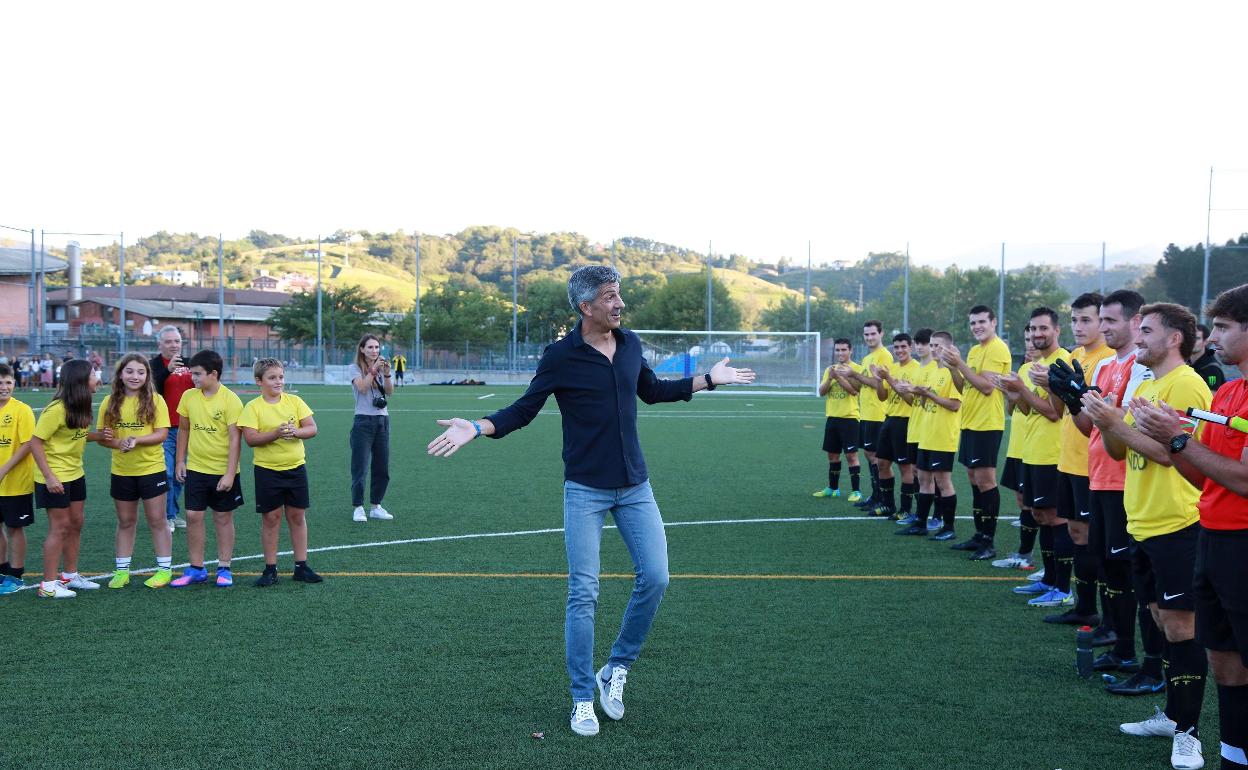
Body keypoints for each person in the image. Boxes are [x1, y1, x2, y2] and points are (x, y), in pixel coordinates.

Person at [426, 265, 755, 738]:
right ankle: (582, 697)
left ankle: (615, 668)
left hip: (635, 486)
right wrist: (476, 427)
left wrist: (708, 379)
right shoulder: (560, 356)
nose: (619, 304)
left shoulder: (631, 343)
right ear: (586, 307)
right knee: (584, 593)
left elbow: (652, 391)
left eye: (619, 294)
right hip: (585, 490)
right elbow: (524, 410)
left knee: (656, 577)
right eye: (609, 296)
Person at [1083, 303, 1211, 770]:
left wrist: (1116, 423)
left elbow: (1171, 453)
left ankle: (1189, 734)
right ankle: (1173, 716)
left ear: (1175, 338)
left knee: (1181, 627)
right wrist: (1104, 418)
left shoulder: (1186, 384)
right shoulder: (1148, 383)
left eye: (1148, 331)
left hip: (1177, 522)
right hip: (1142, 520)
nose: (1138, 338)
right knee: (1160, 619)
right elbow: (1119, 450)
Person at [1133, 284, 1248, 770]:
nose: (1211, 337)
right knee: (1224, 663)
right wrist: (1170, 437)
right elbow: (1203, 475)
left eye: (1222, 327)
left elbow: (1244, 480)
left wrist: (1177, 441)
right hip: (1212, 539)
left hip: (1241, 543)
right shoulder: (1228, 391)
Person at [1076, 290, 1164, 691]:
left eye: (1110, 320)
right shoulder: (1105, 365)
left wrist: (1105, 414)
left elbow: (1125, 424)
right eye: (1102, 319)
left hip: (1124, 480)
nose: (1103, 327)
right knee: (1108, 564)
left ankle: (1142, 658)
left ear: (1134, 322)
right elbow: (1093, 425)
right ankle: (1121, 645)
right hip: (1098, 474)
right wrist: (1073, 398)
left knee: (1128, 569)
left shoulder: (1141, 368)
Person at [1036, 293, 1113, 623]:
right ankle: (1084, 608)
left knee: (1095, 538)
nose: (1078, 327)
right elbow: (1059, 411)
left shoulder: (1109, 359)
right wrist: (1053, 387)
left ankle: (1103, 615)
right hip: (1068, 458)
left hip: (1091, 463)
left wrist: (1075, 394)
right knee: (1077, 534)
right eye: (1074, 320)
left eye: (1086, 320)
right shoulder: (1074, 355)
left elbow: (1100, 418)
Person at [1000, 307, 1071, 608]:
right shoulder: (1033, 365)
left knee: (1055, 517)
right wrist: (1013, 393)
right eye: (1033, 329)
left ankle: (1063, 588)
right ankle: (1048, 578)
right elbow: (1028, 409)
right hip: (1032, 450)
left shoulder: (1062, 362)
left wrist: (1022, 391)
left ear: (1057, 330)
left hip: (1052, 452)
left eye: (1043, 328)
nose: (1037, 334)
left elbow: (1054, 413)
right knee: (1040, 515)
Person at [238, 358, 321, 587]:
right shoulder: (253, 407)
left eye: (281, 377)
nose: (278, 381)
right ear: (259, 381)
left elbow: (312, 428)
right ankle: (270, 569)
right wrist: (276, 433)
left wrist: (296, 432)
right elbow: (250, 439)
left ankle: (301, 567)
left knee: (297, 516)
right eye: (272, 378)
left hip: (296, 469)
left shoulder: (295, 401)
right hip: (267, 471)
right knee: (271, 518)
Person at [944, 305, 1016, 557]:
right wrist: (952, 367)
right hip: (970, 422)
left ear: (993, 322)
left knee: (986, 481)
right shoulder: (975, 350)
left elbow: (986, 387)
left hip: (987, 424)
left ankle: (989, 541)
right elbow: (963, 386)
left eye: (982, 321)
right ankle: (978, 535)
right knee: (974, 479)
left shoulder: (997, 348)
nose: (977, 326)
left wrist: (959, 363)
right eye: (973, 322)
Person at [99, 354, 174, 589]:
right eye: (130, 371)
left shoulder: (156, 400)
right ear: (120, 374)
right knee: (125, 521)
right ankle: (122, 572)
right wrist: (118, 442)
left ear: (147, 375)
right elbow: (104, 437)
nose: (135, 376)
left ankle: (164, 570)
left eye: (141, 372)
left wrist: (137, 440)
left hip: (151, 470)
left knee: (157, 520)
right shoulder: (109, 402)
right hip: (122, 471)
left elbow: (162, 433)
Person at [30, 359, 103, 598]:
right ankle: (48, 586)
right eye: (93, 374)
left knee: (76, 523)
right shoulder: (56, 409)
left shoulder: (81, 405)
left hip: (75, 473)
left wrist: (99, 435)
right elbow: (35, 442)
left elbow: (76, 435)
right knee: (59, 527)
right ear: (81, 380)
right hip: (54, 477)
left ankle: (69, 576)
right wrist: (49, 477)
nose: (97, 378)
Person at [171, 350, 245, 588]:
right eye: (191, 373)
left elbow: (235, 439)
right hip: (196, 469)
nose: (192, 378)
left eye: (197, 374)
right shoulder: (189, 397)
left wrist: (230, 473)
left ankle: (224, 567)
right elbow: (183, 430)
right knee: (193, 516)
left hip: (223, 470)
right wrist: (180, 461)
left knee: (223, 517)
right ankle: (196, 568)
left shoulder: (231, 400)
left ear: (213, 374)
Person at [898, 331, 962, 538]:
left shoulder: (953, 373)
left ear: (949, 349)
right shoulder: (933, 370)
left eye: (937, 346)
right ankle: (921, 523)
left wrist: (928, 394)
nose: (933, 349)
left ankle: (948, 527)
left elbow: (954, 405)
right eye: (932, 345)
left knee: (943, 483)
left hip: (943, 436)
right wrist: (916, 392)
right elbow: (926, 403)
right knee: (924, 480)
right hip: (926, 434)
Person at [869, 333, 920, 518]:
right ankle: (887, 505)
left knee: (904, 467)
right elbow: (883, 397)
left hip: (906, 421)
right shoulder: (892, 367)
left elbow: (911, 400)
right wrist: (878, 379)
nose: (899, 350)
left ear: (910, 347)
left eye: (903, 346)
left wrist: (888, 378)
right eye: (896, 347)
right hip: (889, 419)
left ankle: (905, 509)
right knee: (882, 463)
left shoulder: (917, 369)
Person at [150, 325, 195, 532]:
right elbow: (149, 390)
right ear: (160, 344)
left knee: (180, 474)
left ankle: (172, 514)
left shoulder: (190, 363)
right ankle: (165, 516)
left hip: (187, 429)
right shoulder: (153, 365)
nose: (173, 345)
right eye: (168, 341)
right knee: (167, 472)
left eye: (177, 341)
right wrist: (166, 371)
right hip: (164, 429)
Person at [847, 321, 893, 510]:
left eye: (873, 334)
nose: (869, 337)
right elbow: (860, 386)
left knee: (878, 458)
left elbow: (879, 385)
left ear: (881, 334)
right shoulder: (867, 358)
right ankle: (875, 496)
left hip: (878, 414)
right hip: (866, 414)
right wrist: (847, 375)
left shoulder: (884, 355)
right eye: (866, 334)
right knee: (869, 454)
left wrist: (855, 374)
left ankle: (882, 499)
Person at [349, 334, 394, 522]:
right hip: (363, 421)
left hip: (382, 420)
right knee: (360, 466)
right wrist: (374, 370)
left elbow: (389, 392)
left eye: (377, 347)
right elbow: (362, 388)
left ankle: (376, 506)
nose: (374, 351)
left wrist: (387, 373)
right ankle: (358, 507)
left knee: (382, 466)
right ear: (362, 349)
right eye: (370, 347)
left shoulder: (382, 368)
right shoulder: (354, 368)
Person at [812, 338, 863, 500]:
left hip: (850, 418)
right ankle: (833, 488)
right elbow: (821, 392)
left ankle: (856, 491)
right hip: (832, 418)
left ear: (850, 350)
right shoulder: (830, 369)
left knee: (851, 456)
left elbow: (854, 391)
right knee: (832, 455)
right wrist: (830, 378)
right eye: (837, 350)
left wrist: (839, 378)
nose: (840, 353)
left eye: (843, 350)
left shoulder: (856, 369)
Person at [893, 328, 934, 527]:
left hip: (930, 428)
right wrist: (904, 390)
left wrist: (915, 391)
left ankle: (938, 516)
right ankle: (919, 514)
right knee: (916, 472)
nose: (920, 347)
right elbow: (915, 401)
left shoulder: (936, 368)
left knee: (935, 477)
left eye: (924, 343)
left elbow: (931, 399)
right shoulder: (919, 369)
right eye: (918, 343)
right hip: (914, 427)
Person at [0, 364, 35, 596]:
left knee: (14, 528)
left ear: (14, 383)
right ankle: (2, 573)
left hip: (16, 482)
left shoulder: (22, 410)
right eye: (0, 383)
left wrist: (4, 469)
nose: (4, 387)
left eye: (8, 382)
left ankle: (16, 575)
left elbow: (28, 444)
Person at [1190, 324, 1226, 394]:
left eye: (1197, 338)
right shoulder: (1184, 362)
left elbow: (1212, 396)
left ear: (1205, 341)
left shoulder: (1212, 369)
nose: (1192, 341)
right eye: (1191, 337)